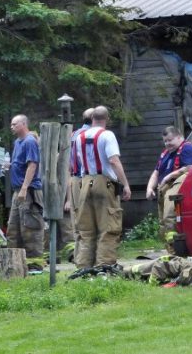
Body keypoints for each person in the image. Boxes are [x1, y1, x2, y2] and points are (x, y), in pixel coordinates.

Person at [74, 106, 132, 269]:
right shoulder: (107, 135)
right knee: (108, 227)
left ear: (92, 119)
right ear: (107, 119)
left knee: (86, 230)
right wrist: (125, 184)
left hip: (85, 182)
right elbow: (113, 161)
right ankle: (104, 266)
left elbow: (79, 161)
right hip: (104, 183)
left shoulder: (80, 137)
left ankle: (83, 267)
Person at [145, 127, 192, 249]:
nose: (167, 143)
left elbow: (190, 168)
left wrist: (169, 176)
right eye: (165, 141)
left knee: (170, 219)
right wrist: (149, 188)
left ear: (179, 137)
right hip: (163, 192)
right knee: (163, 224)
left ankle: (176, 253)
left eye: (170, 140)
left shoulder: (187, 149)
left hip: (175, 190)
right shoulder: (165, 153)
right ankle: (170, 252)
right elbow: (156, 172)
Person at [5, 114, 45, 259]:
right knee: (13, 228)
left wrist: (24, 188)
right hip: (18, 191)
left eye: (14, 124)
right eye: (11, 124)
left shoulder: (30, 141)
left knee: (30, 227)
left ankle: (35, 264)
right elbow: (21, 163)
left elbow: (32, 165)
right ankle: (14, 262)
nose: (11, 127)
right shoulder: (17, 142)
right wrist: (10, 166)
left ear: (23, 124)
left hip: (28, 191)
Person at [66, 107, 94, 258]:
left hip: (74, 179)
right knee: (88, 219)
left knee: (77, 220)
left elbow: (68, 164)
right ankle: (88, 256)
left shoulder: (74, 134)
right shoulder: (91, 135)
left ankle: (79, 255)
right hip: (86, 179)